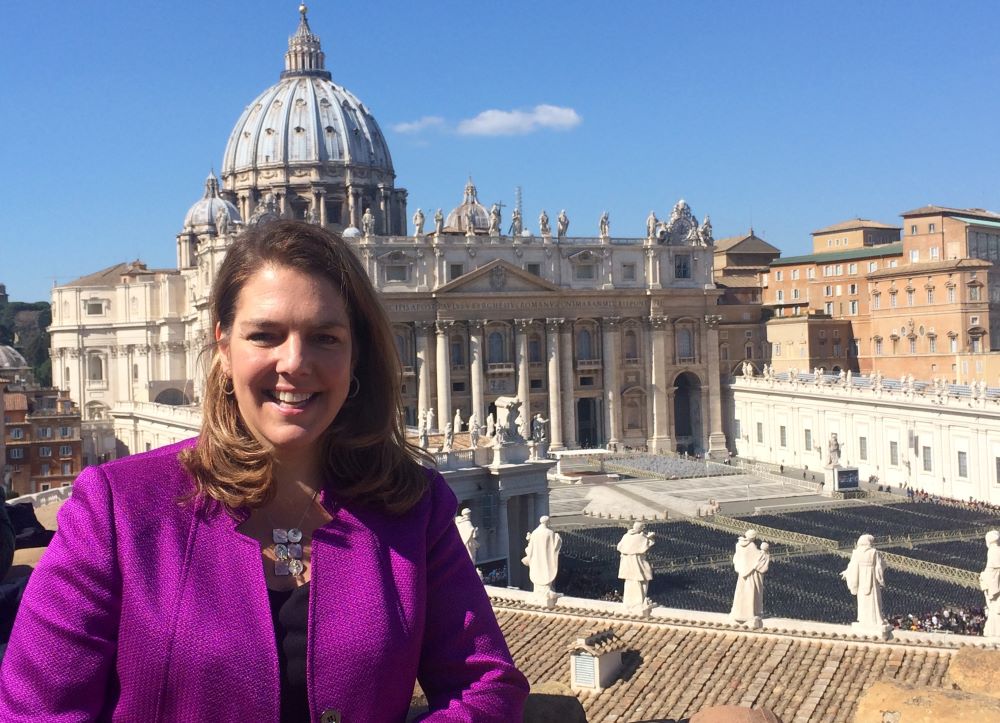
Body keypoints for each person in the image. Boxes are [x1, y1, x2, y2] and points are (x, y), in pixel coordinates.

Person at [0, 221, 528, 721]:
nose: (294, 363)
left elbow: (484, 686)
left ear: (357, 354)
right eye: (265, 335)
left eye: (325, 336)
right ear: (223, 346)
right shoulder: (117, 507)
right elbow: (36, 709)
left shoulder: (415, 504)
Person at [841, 533, 886, 628]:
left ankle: (864, 619)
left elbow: (852, 566)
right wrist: (881, 580)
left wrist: (847, 573)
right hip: (872, 578)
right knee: (874, 600)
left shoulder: (856, 552)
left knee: (862, 600)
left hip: (861, 579)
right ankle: (875, 620)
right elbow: (879, 567)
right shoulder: (874, 552)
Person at [730, 531, 769, 624]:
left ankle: (739, 612)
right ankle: (749, 613)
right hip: (751, 575)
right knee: (750, 592)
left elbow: (736, 558)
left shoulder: (738, 545)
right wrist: (765, 551)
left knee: (741, 593)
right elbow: (758, 559)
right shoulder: (751, 546)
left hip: (742, 574)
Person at [617, 522, 655, 608]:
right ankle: (638, 602)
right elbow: (646, 544)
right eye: (643, 528)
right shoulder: (640, 537)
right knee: (642, 578)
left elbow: (620, 546)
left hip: (629, 563)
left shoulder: (626, 536)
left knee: (637, 579)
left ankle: (637, 601)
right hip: (636, 562)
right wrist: (649, 537)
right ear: (640, 528)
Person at [522, 516, 561, 595]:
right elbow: (554, 546)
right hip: (546, 558)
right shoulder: (550, 533)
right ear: (547, 522)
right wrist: (558, 539)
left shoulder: (535, 532)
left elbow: (531, 546)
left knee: (538, 569)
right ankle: (546, 589)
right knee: (546, 571)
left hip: (537, 558)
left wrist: (529, 539)